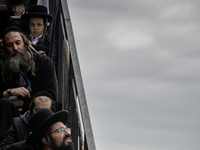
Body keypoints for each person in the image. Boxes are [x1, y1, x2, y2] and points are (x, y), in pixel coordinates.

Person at [0, 26, 58, 142]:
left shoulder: (44, 63)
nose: (15, 48)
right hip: (10, 112)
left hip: (35, 111)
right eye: (10, 45)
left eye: (18, 43)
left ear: (25, 43)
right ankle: (4, 143)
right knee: (4, 103)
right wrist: (8, 92)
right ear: (5, 49)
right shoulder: (2, 68)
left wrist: (22, 102)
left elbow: (51, 94)